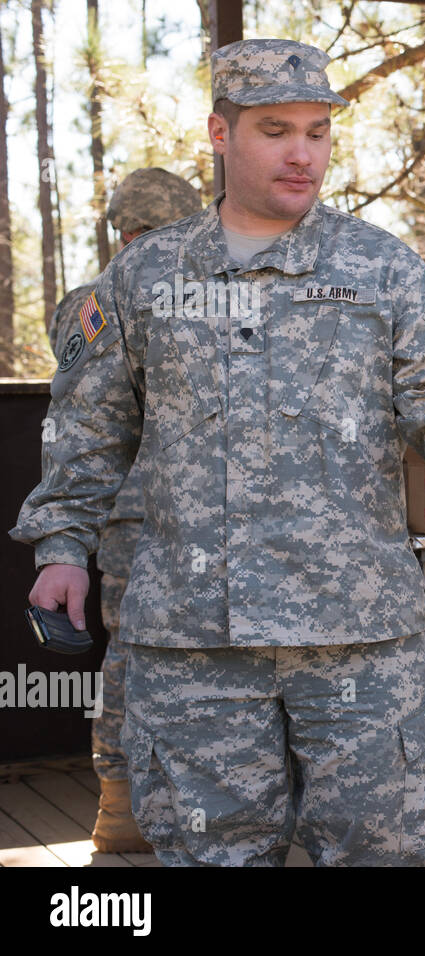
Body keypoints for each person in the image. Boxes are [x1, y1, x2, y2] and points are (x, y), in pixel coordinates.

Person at [12, 38, 425, 866]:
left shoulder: (380, 268)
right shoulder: (144, 277)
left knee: (381, 849)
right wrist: (62, 548)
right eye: (274, 130)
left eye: (318, 131)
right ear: (220, 135)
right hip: (193, 645)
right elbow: (90, 432)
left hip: (358, 633)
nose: (303, 153)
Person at [42, 168, 202, 853]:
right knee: (157, 666)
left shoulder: (98, 301)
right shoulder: (116, 300)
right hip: (157, 523)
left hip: (154, 525)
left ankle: (129, 812)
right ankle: (131, 812)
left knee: (137, 665)